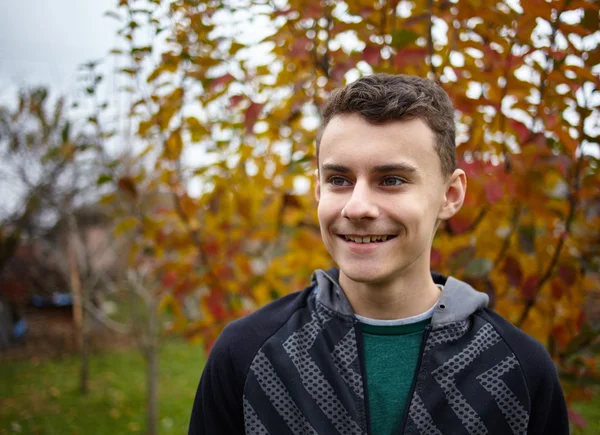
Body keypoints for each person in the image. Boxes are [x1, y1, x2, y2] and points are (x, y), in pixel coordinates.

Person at [188, 74, 569, 435]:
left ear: (450, 196)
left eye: (391, 180)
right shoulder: (247, 355)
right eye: (339, 180)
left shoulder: (520, 370)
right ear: (318, 189)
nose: (357, 207)